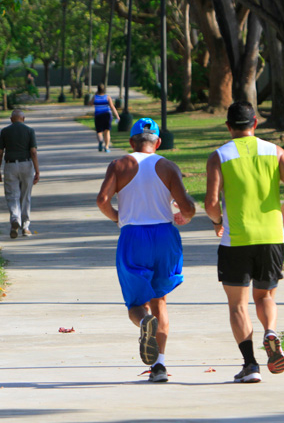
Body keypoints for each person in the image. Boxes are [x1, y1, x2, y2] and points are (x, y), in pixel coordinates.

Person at [204, 101, 284, 384]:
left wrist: (217, 222)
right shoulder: (276, 151)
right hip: (271, 237)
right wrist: (283, 214)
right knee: (266, 296)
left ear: (228, 126)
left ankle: (250, 364)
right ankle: (270, 331)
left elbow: (211, 203)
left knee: (238, 305)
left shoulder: (219, 156)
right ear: (255, 123)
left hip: (236, 240)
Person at [97, 118, 196, 383]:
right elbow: (187, 207)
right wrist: (185, 216)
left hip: (133, 235)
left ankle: (143, 323)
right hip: (164, 235)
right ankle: (160, 365)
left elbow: (102, 200)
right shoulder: (168, 166)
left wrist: (118, 216)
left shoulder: (119, 165)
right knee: (160, 300)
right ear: (158, 142)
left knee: (136, 304)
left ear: (132, 142)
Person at [0, 109, 40, 239]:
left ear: (11, 119)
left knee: (12, 195)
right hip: (26, 165)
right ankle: (25, 227)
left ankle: (15, 219)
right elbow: (33, 152)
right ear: (23, 119)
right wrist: (37, 170)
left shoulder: (5, 131)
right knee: (25, 196)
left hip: (10, 165)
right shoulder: (29, 131)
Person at [88, 83, 120, 152]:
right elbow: (112, 107)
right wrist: (117, 115)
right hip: (107, 115)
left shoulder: (95, 97)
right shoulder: (107, 97)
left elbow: (90, 103)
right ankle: (106, 147)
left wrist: (95, 96)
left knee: (99, 131)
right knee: (107, 131)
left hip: (98, 115)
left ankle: (100, 141)